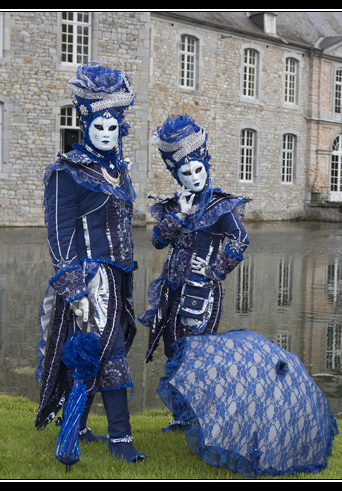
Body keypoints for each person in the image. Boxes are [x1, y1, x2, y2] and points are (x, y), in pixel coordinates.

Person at [34, 62, 145, 463]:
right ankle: (120, 439)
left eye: (113, 126)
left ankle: (77, 426)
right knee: (108, 351)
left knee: (95, 350)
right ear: (86, 126)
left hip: (120, 278)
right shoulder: (68, 172)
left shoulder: (118, 170)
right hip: (91, 279)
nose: (106, 133)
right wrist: (74, 288)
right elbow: (60, 235)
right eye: (99, 126)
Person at [139, 114, 250, 431]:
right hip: (171, 291)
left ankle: (203, 418)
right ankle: (182, 417)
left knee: (196, 355)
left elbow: (240, 239)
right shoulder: (175, 206)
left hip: (201, 293)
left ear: (206, 167)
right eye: (186, 173)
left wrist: (215, 269)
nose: (194, 177)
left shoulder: (219, 207)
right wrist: (180, 216)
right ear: (178, 176)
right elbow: (158, 241)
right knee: (173, 350)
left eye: (198, 170)